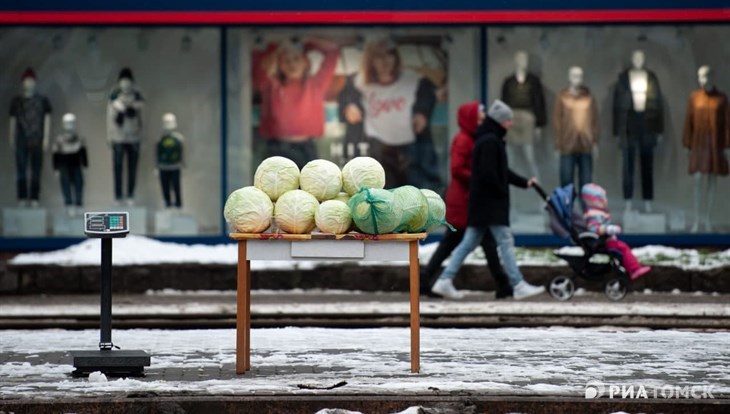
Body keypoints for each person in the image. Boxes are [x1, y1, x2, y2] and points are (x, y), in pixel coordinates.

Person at [431, 100, 545, 300]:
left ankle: (444, 280)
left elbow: (499, 172)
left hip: (482, 205)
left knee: (468, 243)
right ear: (501, 121)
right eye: (508, 120)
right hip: (489, 205)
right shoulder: (490, 142)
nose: (510, 124)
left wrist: (524, 182)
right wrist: (501, 192)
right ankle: (517, 284)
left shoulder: (487, 139)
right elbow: (489, 174)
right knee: (505, 241)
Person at [421, 101, 513, 299]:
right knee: (461, 241)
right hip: (463, 199)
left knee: (473, 242)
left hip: (468, 197)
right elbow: (456, 168)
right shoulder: (463, 140)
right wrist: (478, 178)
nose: (483, 116)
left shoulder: (472, 138)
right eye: (479, 113)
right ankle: (503, 283)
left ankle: (503, 283)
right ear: (470, 117)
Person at [339, 37, 440, 189]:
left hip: (410, 149)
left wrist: (422, 113)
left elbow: (428, 96)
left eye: (389, 54)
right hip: (376, 149)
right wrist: (349, 107)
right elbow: (346, 100)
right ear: (371, 60)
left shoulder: (414, 80)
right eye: (379, 56)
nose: (385, 61)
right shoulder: (358, 82)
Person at [252, 36, 339, 169]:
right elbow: (257, 61)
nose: (292, 64)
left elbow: (332, 52)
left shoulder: (316, 84)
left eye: (297, 59)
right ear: (279, 65)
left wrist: (306, 43)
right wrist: (277, 46)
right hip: (276, 148)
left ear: (306, 62)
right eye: (286, 60)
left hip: (306, 146)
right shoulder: (271, 85)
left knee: (310, 186)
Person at [581, 183, 652, 280]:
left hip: (604, 241)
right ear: (593, 201)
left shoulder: (596, 212)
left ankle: (631, 268)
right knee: (623, 248)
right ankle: (634, 269)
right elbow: (594, 228)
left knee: (623, 248)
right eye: (602, 199)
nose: (605, 201)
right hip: (604, 242)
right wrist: (609, 229)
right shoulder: (594, 214)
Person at [107, 67, 144, 206]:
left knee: (132, 168)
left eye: (128, 81)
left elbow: (141, 118)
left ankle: (130, 195)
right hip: (118, 137)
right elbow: (109, 118)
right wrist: (109, 136)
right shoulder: (114, 98)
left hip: (134, 137)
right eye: (123, 81)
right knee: (117, 167)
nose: (125, 84)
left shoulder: (137, 98)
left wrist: (140, 134)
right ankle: (118, 196)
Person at [52, 113, 87, 216]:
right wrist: (56, 168)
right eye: (67, 123)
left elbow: (83, 153)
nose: (69, 125)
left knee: (78, 185)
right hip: (64, 166)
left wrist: (85, 165)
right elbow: (55, 155)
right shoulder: (59, 140)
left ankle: (79, 205)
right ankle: (69, 205)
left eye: (71, 123)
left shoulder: (80, 139)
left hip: (76, 165)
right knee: (65, 185)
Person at [156, 113, 184, 209]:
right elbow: (157, 153)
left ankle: (178, 204)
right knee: (165, 187)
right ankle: (167, 203)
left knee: (176, 186)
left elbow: (182, 152)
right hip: (163, 166)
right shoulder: (160, 139)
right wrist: (156, 166)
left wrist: (183, 163)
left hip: (175, 166)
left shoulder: (178, 138)